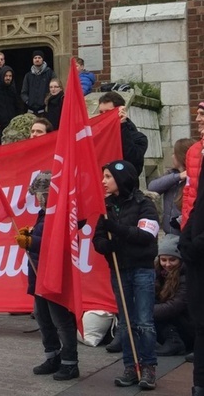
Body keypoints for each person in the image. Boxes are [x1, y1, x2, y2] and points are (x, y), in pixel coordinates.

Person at [92, 160, 159, 390]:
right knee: (126, 322)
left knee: (144, 321)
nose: (103, 181)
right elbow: (98, 239)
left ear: (121, 179)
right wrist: (106, 246)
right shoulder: (106, 207)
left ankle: (148, 367)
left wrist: (116, 231)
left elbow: (146, 236)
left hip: (141, 271)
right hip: (119, 270)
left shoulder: (144, 203)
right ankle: (131, 366)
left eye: (108, 177)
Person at [15, 171, 80, 381]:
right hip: (38, 272)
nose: (38, 198)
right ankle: (53, 356)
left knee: (60, 319)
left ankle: (70, 362)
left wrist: (31, 241)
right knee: (42, 316)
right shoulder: (45, 213)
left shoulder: (60, 212)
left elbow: (56, 243)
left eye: (41, 194)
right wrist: (31, 234)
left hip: (53, 273)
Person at [180, 156, 204, 396]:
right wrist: (185, 239)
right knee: (201, 328)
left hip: (199, 252)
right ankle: (199, 383)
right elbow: (197, 207)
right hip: (198, 263)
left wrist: (196, 245)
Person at [148, 138, 196, 235]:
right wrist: (178, 176)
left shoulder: (195, 177)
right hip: (169, 233)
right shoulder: (172, 174)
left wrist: (179, 221)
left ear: (181, 156)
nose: (172, 156)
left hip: (184, 232)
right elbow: (152, 187)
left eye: (174, 153)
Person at [153, 234, 191, 356]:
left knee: (154, 310)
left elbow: (174, 306)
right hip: (173, 319)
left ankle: (174, 341)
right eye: (163, 260)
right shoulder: (158, 273)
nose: (167, 264)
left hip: (188, 326)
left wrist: (144, 310)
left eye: (172, 259)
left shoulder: (187, 276)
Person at [98, 91, 148, 176]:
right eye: (101, 112)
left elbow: (133, 160)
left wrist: (122, 126)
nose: (103, 116)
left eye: (107, 112)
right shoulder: (97, 136)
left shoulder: (139, 138)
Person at [182, 101, 204, 227]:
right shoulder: (193, 150)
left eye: (202, 114)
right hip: (194, 222)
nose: (197, 119)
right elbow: (188, 189)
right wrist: (185, 222)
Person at [21, 50, 56, 115]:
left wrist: (47, 101)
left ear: (42, 59)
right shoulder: (28, 75)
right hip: (31, 111)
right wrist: (28, 101)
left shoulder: (50, 73)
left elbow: (55, 89)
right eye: (35, 58)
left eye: (39, 58)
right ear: (33, 60)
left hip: (45, 110)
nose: (37, 60)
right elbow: (23, 92)